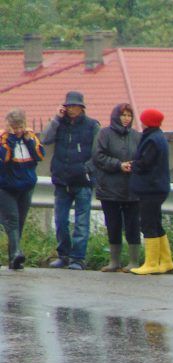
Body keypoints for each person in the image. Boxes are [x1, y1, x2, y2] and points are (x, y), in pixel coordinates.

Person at [41, 91, 100, 270]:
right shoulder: (59, 124)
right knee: (60, 221)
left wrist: (87, 169)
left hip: (82, 181)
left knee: (81, 223)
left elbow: (98, 152)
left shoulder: (92, 126)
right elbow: (45, 139)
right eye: (68, 106)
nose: (71, 109)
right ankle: (64, 255)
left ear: (81, 108)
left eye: (74, 106)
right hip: (62, 180)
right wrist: (56, 119)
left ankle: (78, 258)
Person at [91, 103, 141, 272]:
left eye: (129, 115)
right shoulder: (104, 134)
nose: (126, 118)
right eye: (123, 115)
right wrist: (118, 165)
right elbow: (98, 156)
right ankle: (114, 261)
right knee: (113, 224)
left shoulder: (137, 136)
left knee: (133, 224)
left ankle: (134, 261)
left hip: (131, 189)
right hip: (109, 188)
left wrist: (134, 164)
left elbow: (143, 156)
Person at [127, 109, 173, 276]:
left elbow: (145, 162)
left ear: (148, 122)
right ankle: (166, 261)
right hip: (157, 187)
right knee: (156, 223)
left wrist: (132, 165)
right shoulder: (158, 136)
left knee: (148, 224)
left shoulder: (152, 139)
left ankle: (151, 263)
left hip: (151, 188)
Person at [0, 109, 44, 271]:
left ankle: (14, 258)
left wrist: (28, 141)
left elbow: (40, 156)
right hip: (6, 187)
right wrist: (11, 138)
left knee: (20, 221)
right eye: (15, 127)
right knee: (12, 220)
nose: (18, 130)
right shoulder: (3, 139)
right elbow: (5, 158)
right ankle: (17, 253)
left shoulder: (30, 137)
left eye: (20, 127)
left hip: (26, 187)